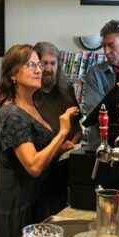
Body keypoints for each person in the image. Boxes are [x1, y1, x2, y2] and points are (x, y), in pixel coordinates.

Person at [0, 44, 78, 237]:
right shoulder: (12, 114)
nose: (40, 70)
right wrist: (61, 132)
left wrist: (59, 148)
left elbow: (39, 153)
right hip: (19, 210)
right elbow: (33, 166)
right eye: (31, 65)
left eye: (39, 65)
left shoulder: (33, 105)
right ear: (13, 74)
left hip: (39, 203)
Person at [33, 41, 81, 213]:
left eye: (53, 63)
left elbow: (77, 125)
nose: (48, 68)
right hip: (39, 168)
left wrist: (72, 143)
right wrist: (58, 148)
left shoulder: (66, 89)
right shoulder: (30, 94)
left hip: (63, 166)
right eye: (44, 63)